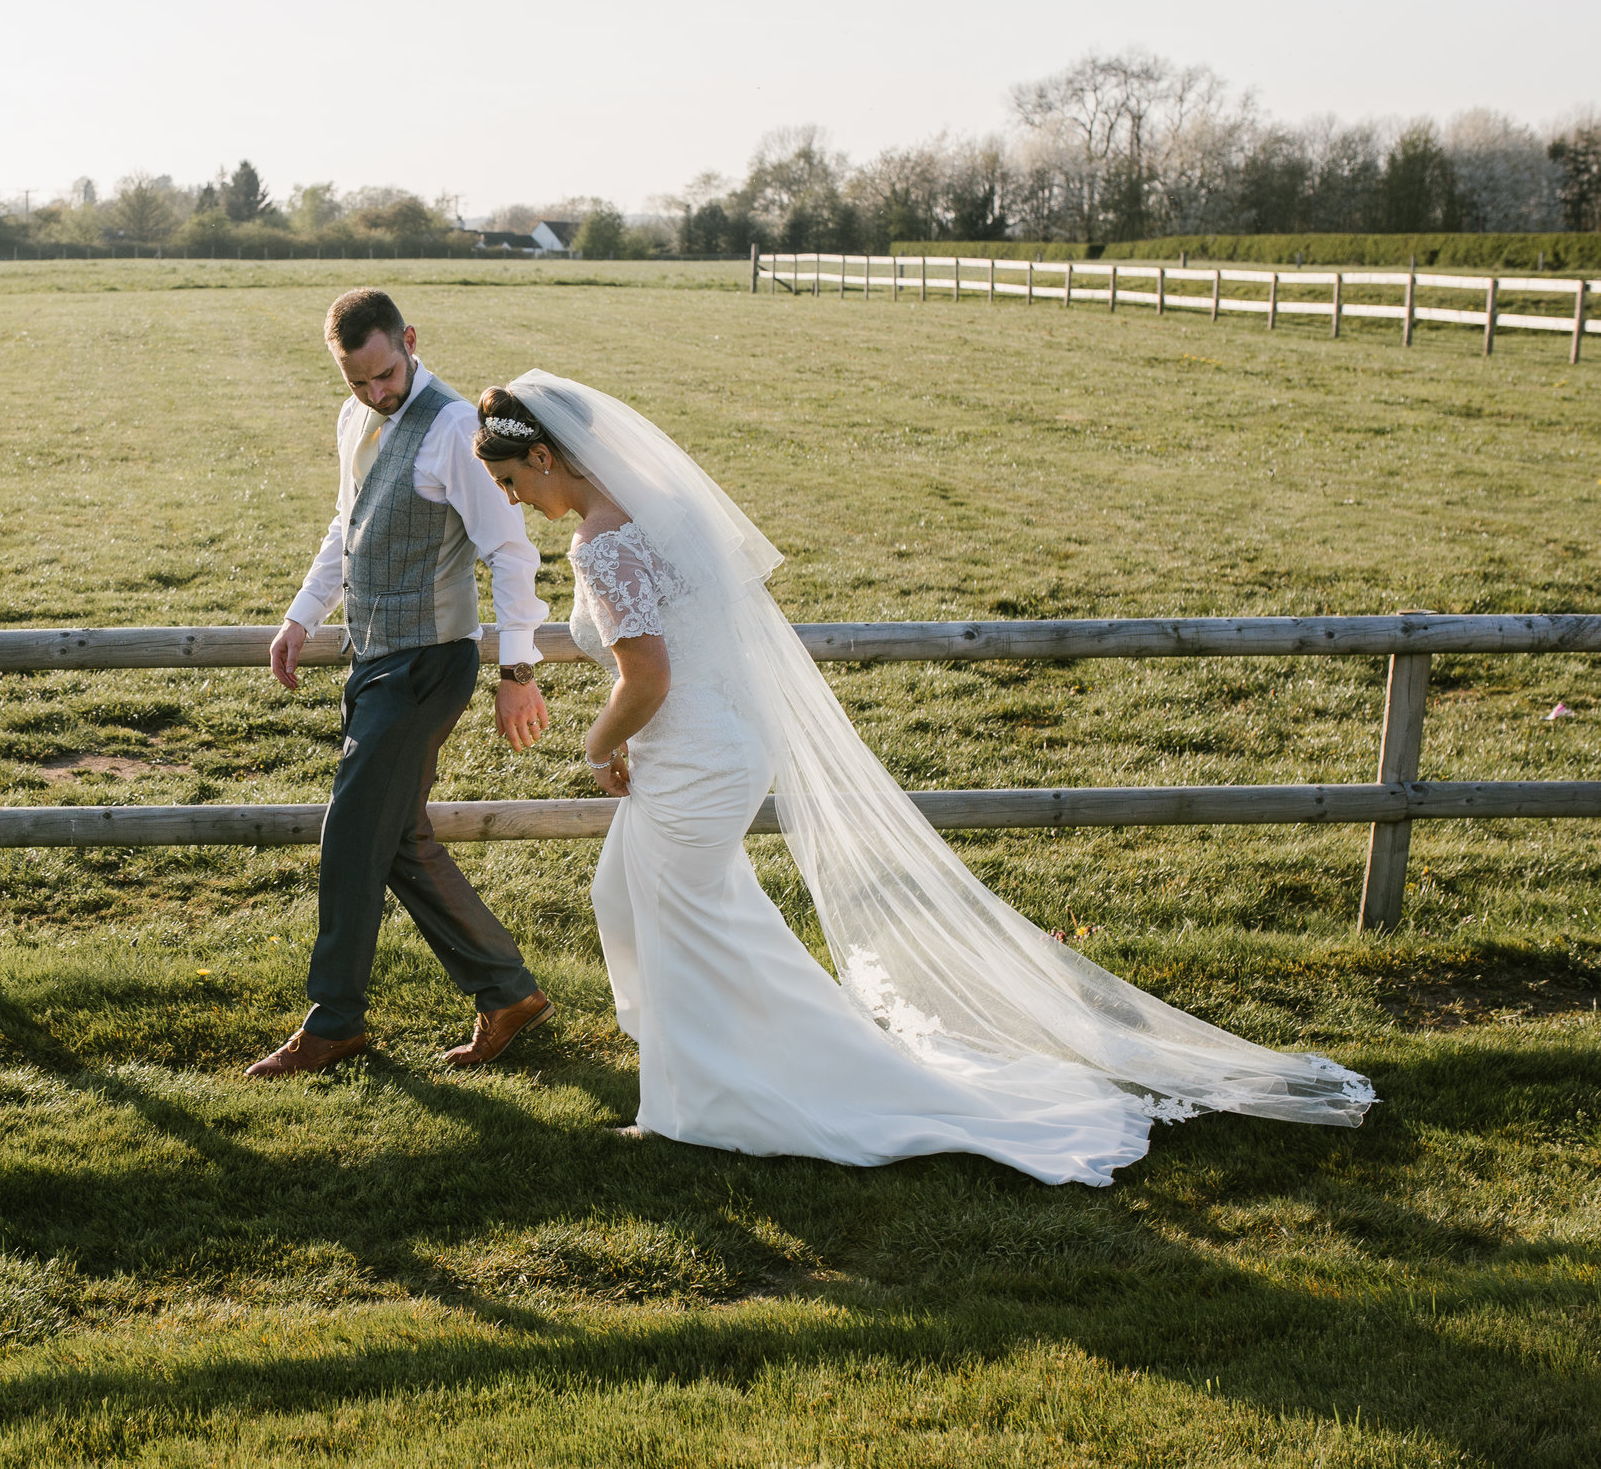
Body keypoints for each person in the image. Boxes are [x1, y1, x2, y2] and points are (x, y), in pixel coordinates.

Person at [471, 369, 1373, 1185]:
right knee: (627, 898)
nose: (515, 504)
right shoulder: (659, 510)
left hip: (695, 755)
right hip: (723, 743)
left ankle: (708, 1103)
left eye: (514, 484)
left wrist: (596, 748)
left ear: (547, 455)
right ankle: (715, 1073)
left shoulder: (602, 541)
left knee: (696, 925)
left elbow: (648, 677)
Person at [247, 289, 558, 1077]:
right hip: (371, 658)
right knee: (398, 837)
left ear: (409, 341)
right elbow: (346, 525)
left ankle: (334, 1021)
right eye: (358, 382)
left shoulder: (455, 428)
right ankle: (507, 991)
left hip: (428, 664)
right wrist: (301, 614)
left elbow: (512, 553)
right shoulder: (355, 419)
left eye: (385, 375)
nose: (376, 393)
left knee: (353, 833)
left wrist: (517, 670)